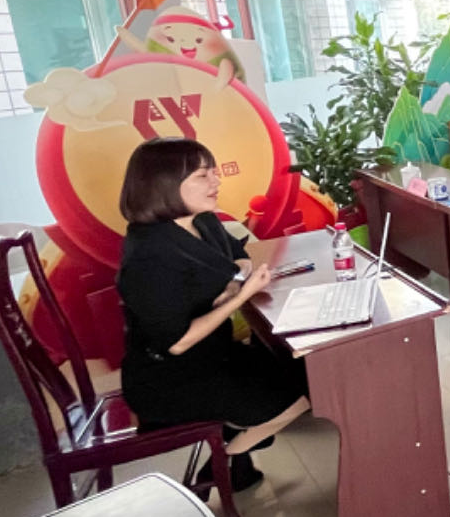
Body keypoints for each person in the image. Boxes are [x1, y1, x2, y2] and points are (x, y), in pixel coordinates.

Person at [117, 137, 310, 493]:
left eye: (214, 172)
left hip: (215, 355)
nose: (216, 181)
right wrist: (241, 295)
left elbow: (239, 255)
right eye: (202, 175)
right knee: (298, 397)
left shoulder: (202, 221)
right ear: (164, 186)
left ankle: (234, 459)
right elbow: (177, 342)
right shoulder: (148, 255)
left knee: (305, 369)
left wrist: (236, 280)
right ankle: (220, 465)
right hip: (173, 379)